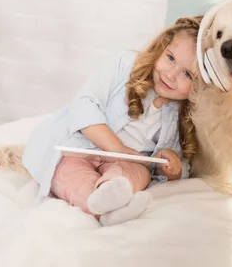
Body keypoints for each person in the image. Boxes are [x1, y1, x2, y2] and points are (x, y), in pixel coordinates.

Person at [22, 16, 202, 226]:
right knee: (70, 175)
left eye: (187, 74)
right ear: (161, 47)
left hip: (126, 164)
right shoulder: (125, 66)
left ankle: (113, 197)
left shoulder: (183, 114)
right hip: (81, 149)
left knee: (138, 174)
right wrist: (116, 148)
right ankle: (100, 208)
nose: (171, 75)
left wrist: (173, 165)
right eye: (170, 58)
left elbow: (182, 162)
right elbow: (84, 103)